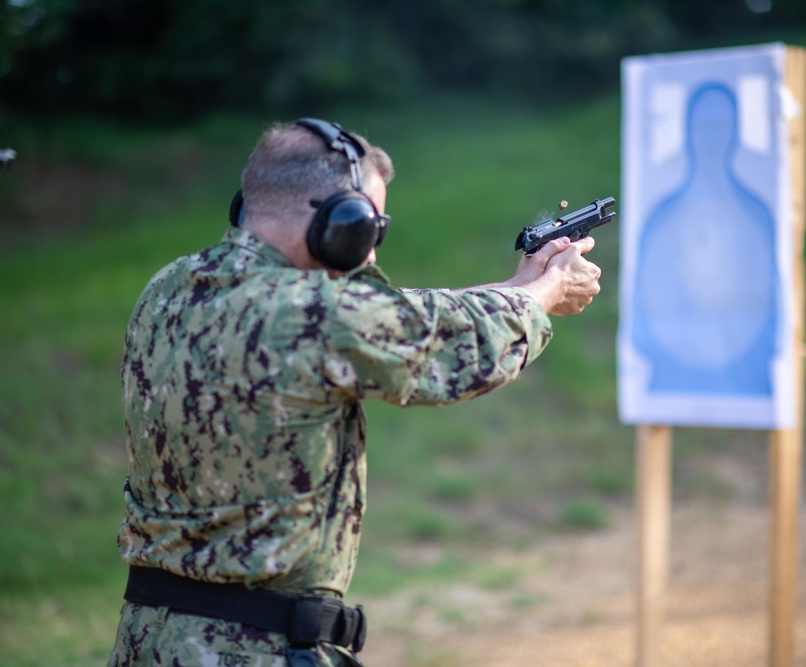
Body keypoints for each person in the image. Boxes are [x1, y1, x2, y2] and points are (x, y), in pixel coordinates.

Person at [108, 118, 602, 667]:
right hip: (251, 650)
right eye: (370, 227)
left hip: (147, 639)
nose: (371, 251)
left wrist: (516, 288)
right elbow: (452, 347)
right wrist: (549, 290)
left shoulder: (171, 288)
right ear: (334, 222)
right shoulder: (314, 313)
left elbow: (395, 318)